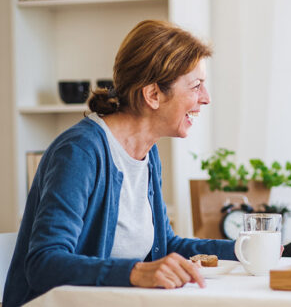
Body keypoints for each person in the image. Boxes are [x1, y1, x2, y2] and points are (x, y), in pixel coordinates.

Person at [3, 20, 236, 306]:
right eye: (196, 86)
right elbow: (44, 263)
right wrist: (137, 272)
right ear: (153, 94)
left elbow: (165, 246)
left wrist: (245, 249)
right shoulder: (80, 152)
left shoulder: (147, 153)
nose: (206, 98)